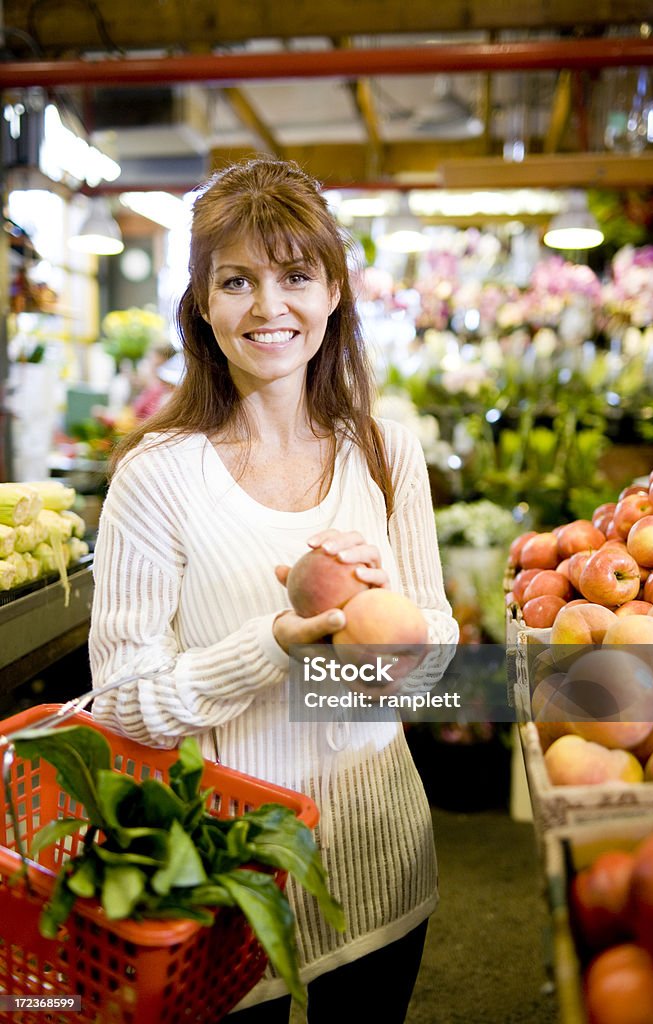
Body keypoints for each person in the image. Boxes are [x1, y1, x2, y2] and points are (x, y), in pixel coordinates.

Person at [88, 157, 459, 1023]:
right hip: (227, 874)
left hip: (377, 852)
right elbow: (122, 701)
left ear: (331, 290)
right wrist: (277, 641)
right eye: (237, 281)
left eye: (294, 275)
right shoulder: (155, 478)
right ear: (202, 304)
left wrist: (378, 645)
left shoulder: (384, 451)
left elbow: (440, 651)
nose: (268, 307)